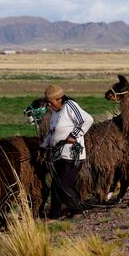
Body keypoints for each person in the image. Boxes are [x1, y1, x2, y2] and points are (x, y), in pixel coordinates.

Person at [40, 85, 93, 218]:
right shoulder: (55, 113)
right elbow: (52, 133)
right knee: (55, 187)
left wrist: (74, 135)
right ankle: (53, 216)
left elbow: (86, 120)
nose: (49, 106)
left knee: (63, 186)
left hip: (72, 155)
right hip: (58, 155)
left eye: (51, 103)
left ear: (59, 99)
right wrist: (43, 146)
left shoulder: (70, 105)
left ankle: (78, 211)